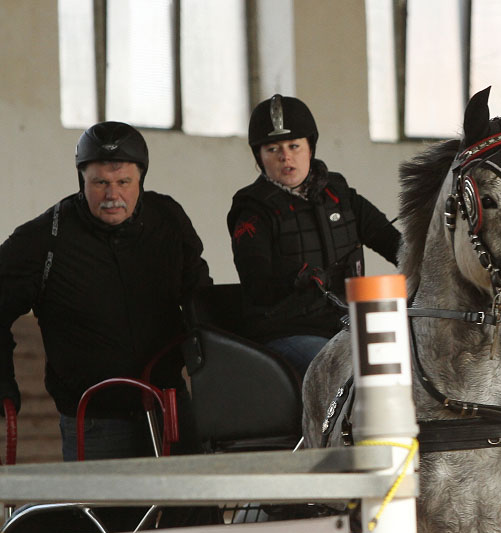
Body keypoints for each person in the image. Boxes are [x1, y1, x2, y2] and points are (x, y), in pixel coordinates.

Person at [0, 121, 212, 461]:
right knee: (105, 515)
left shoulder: (168, 220)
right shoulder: (44, 240)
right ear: (82, 180)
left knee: (191, 513)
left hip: (169, 408)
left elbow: (200, 296)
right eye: (100, 183)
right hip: (93, 421)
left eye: (123, 182)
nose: (112, 195)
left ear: (141, 180)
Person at [228, 94, 401, 378]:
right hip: (288, 331)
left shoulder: (339, 193)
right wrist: (297, 278)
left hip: (350, 322)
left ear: (310, 147)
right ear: (258, 157)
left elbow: (391, 241)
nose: (285, 157)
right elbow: (256, 281)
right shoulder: (251, 209)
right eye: (273, 149)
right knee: (342, 370)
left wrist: (428, 262)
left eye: (294, 146)